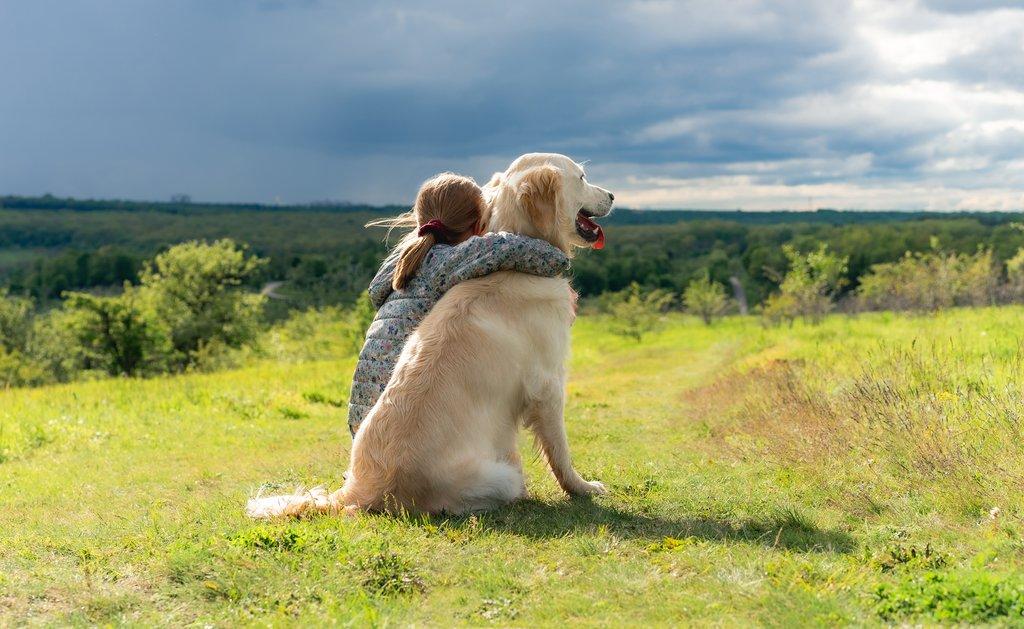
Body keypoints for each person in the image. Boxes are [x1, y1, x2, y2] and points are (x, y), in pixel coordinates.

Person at [347, 172, 570, 435]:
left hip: (361, 424)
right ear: (478, 226)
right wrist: (500, 233)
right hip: (405, 422)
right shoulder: (455, 259)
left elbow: (375, 292)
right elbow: (554, 259)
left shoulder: (401, 263)